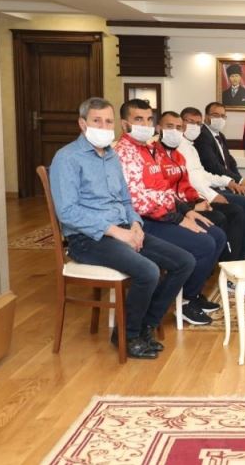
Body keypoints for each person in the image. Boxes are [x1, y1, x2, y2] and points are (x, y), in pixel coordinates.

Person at [50, 97, 195, 359]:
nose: (104, 127)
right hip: (88, 239)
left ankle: (145, 325)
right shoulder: (67, 158)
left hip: (124, 229)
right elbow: (67, 212)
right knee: (148, 271)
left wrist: (136, 224)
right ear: (82, 124)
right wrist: (116, 232)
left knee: (184, 262)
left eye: (108, 122)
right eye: (97, 121)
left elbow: (126, 200)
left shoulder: (111, 156)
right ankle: (127, 336)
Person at [115, 99, 227, 326]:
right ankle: (180, 302)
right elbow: (140, 202)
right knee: (204, 244)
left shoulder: (149, 150)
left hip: (162, 215)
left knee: (217, 235)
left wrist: (186, 211)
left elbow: (164, 190)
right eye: (138, 119)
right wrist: (178, 219)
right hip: (142, 222)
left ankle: (190, 296)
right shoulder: (124, 154)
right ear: (125, 124)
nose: (145, 125)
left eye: (148, 119)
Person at [156, 111, 245, 262]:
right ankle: (226, 262)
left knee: (233, 211)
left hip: (190, 199)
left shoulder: (180, 153)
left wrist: (200, 199)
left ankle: (232, 260)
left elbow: (191, 180)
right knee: (227, 214)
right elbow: (166, 190)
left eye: (178, 128)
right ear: (159, 128)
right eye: (170, 127)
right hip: (174, 208)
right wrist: (199, 202)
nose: (175, 131)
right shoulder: (157, 154)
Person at [179, 106, 245, 261]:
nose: (195, 127)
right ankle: (235, 258)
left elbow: (204, 173)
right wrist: (213, 195)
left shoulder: (190, 145)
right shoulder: (182, 145)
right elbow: (197, 176)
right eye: (190, 122)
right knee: (241, 205)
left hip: (207, 189)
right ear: (181, 122)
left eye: (197, 123)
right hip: (196, 196)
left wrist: (231, 181)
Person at [194, 101, 245, 253]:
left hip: (226, 180)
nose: (220, 119)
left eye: (223, 116)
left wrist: (240, 180)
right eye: (215, 115)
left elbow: (230, 162)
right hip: (215, 185)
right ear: (206, 117)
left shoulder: (220, 135)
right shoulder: (202, 136)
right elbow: (213, 166)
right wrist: (239, 181)